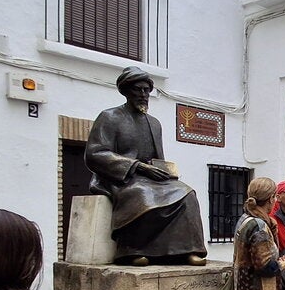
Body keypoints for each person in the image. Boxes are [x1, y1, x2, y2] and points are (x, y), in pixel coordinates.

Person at [84, 67, 207, 265]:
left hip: (150, 177)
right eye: (138, 90)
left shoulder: (154, 123)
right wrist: (137, 167)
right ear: (126, 91)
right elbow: (95, 153)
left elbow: (158, 158)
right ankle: (131, 251)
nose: (143, 94)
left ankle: (187, 250)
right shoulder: (109, 117)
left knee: (187, 194)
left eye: (146, 90)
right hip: (121, 177)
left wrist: (165, 172)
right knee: (142, 194)